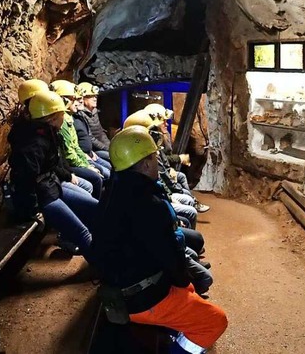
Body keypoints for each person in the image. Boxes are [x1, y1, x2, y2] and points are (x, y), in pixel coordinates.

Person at [93, 126, 227, 352]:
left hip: (120, 286)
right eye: (155, 157)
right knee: (215, 320)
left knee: (191, 289)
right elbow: (170, 256)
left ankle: (173, 330)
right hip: (142, 296)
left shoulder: (114, 190)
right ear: (145, 164)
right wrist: (184, 281)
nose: (158, 162)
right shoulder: (148, 204)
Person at [8, 90, 98, 262]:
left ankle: (105, 253)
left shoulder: (45, 133)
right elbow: (24, 180)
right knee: (82, 233)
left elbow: (52, 163)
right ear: (53, 117)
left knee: (95, 209)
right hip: (44, 196)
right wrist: (33, 211)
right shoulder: (34, 143)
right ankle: (106, 268)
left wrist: (66, 175)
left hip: (51, 186)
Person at [50, 80, 107, 198]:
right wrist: (85, 166)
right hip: (63, 172)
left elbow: (75, 146)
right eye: (74, 99)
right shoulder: (63, 123)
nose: (78, 102)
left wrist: (87, 163)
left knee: (101, 172)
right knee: (95, 178)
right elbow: (68, 154)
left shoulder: (71, 118)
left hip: (73, 163)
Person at [77, 81, 111, 161]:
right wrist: (106, 148)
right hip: (93, 150)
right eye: (91, 96)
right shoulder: (81, 114)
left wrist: (110, 146)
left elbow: (100, 133)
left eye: (95, 96)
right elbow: (90, 138)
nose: (95, 98)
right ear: (83, 98)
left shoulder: (94, 111)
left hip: (100, 146)